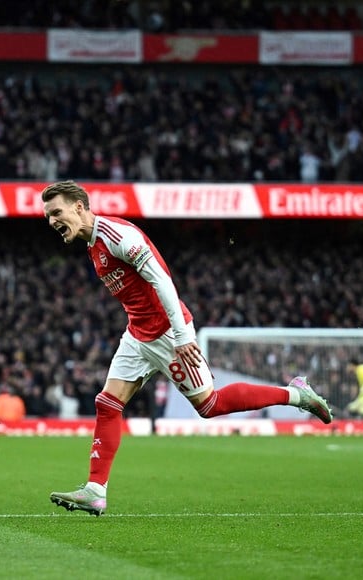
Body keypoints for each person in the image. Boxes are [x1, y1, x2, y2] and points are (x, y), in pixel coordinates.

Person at [40, 180, 332, 516]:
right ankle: (95, 490)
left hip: (167, 334)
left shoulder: (119, 237)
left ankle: (297, 395)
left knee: (210, 405)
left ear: (79, 206)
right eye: (48, 216)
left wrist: (182, 336)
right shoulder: (92, 243)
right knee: (107, 404)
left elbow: (162, 280)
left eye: (56, 212)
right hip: (138, 335)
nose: (51, 221)